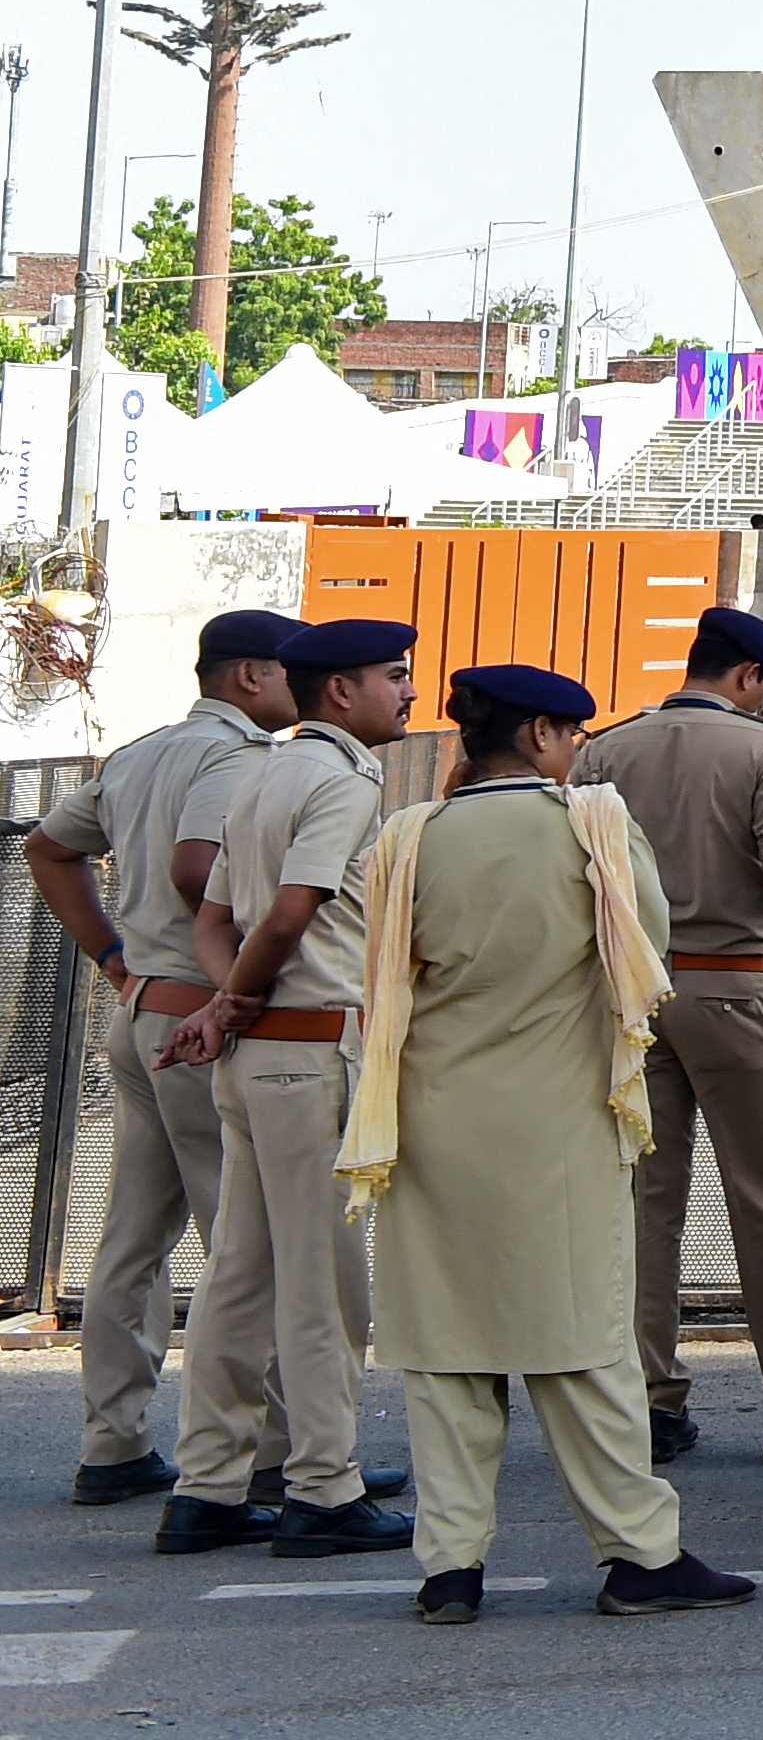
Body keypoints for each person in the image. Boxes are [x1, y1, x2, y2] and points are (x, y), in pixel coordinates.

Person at [346, 661, 756, 1623]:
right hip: (560, 1120)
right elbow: (644, 952)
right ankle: (638, 1554)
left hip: (431, 1121)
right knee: (585, 1345)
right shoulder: (593, 826)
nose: (577, 752)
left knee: (448, 1354)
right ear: (538, 736)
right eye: (570, 735)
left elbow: (385, 975)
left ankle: (450, 1570)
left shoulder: (407, 838)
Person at [575, 606, 763, 1468]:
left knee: (646, 1204)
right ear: (749, 678)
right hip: (730, 988)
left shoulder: (609, 749)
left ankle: (652, 1397)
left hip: (633, 993)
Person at [157, 615, 422, 1559]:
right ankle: (322, 1485)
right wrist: (237, 999)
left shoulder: (263, 768)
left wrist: (227, 1004)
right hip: (308, 1050)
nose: (408, 692)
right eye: (393, 676)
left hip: (257, 1052)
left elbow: (214, 917)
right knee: (323, 1284)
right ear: (341, 692)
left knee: (239, 1274)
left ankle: (209, 1485)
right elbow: (290, 914)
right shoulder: (340, 780)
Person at [26, 607, 288, 1507]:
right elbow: (195, 866)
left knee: (133, 1240)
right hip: (202, 1024)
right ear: (250, 677)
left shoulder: (139, 753)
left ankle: (115, 1442)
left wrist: (109, 954)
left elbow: (47, 847)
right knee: (245, 1244)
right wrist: (243, 969)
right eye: (291, 671)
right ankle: (265, 1456)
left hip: (140, 1012)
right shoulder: (240, 757)